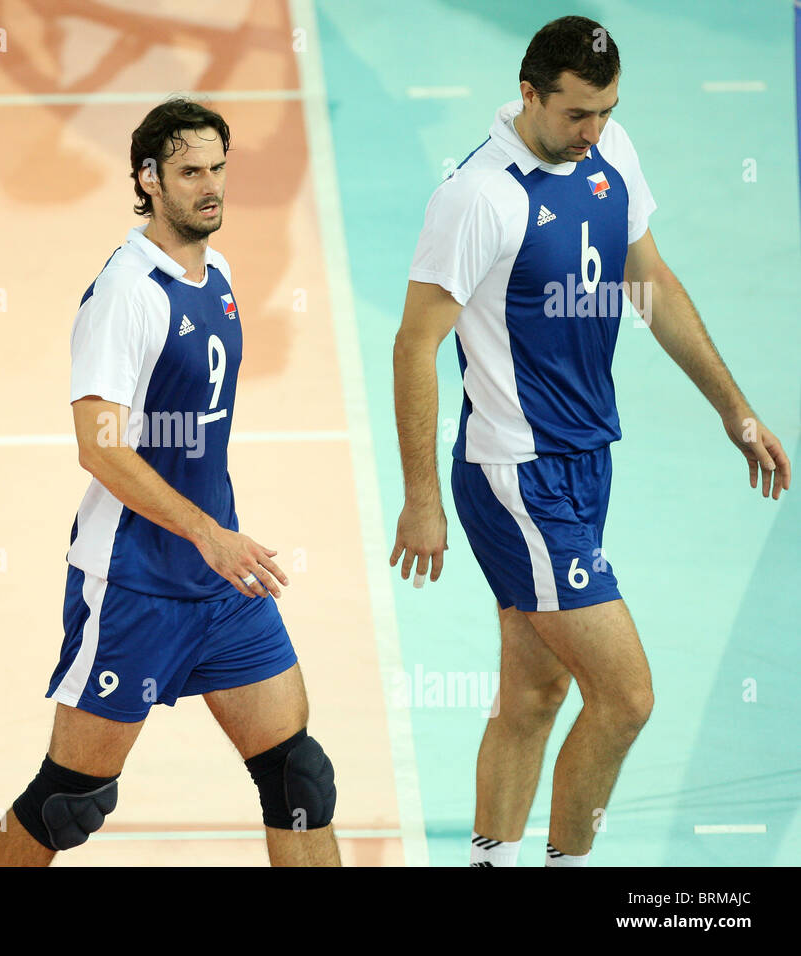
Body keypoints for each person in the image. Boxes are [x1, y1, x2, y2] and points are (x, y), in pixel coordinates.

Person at [392, 15, 791, 867]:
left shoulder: (609, 154)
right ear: (530, 94)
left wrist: (735, 409)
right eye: (578, 114)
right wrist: (422, 499)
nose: (595, 132)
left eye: (608, 111)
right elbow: (414, 344)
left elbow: (650, 281)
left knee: (534, 694)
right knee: (627, 697)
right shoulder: (476, 196)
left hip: (586, 461)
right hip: (517, 474)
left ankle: (489, 861)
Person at [0, 98, 340, 867]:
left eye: (217, 168)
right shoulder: (126, 294)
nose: (209, 186)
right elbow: (99, 447)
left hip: (223, 584)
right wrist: (206, 532)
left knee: (299, 778)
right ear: (146, 180)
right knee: (69, 800)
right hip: (135, 584)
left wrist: (218, 539)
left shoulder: (217, 275)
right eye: (188, 173)